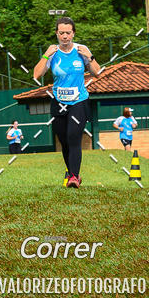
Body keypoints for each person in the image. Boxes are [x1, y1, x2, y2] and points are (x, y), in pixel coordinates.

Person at [33, 16, 101, 188]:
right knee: (63, 139)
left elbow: (97, 73)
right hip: (59, 101)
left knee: (73, 137)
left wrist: (90, 57)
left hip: (79, 100)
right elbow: (36, 75)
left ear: (73, 33)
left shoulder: (81, 49)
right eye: (61, 33)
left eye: (68, 33)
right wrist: (45, 55)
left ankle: (74, 177)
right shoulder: (52, 52)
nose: (65, 36)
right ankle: (72, 173)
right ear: (57, 33)